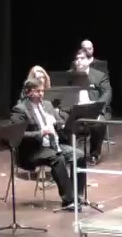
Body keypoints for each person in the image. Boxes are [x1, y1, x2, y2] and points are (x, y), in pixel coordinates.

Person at [11, 78, 87, 208]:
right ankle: (69, 200)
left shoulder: (47, 105)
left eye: (42, 91)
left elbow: (59, 123)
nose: (41, 94)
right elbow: (18, 135)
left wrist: (60, 123)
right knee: (58, 158)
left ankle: (77, 195)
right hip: (33, 150)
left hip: (53, 144)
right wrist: (41, 132)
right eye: (37, 91)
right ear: (28, 92)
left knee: (79, 155)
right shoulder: (20, 109)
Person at [72, 49, 112, 162]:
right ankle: (70, 153)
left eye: (82, 58)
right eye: (76, 59)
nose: (78, 61)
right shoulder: (69, 76)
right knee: (62, 122)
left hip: (94, 109)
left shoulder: (99, 76)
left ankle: (94, 153)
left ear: (90, 60)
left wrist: (98, 109)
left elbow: (107, 93)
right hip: (74, 110)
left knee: (99, 123)